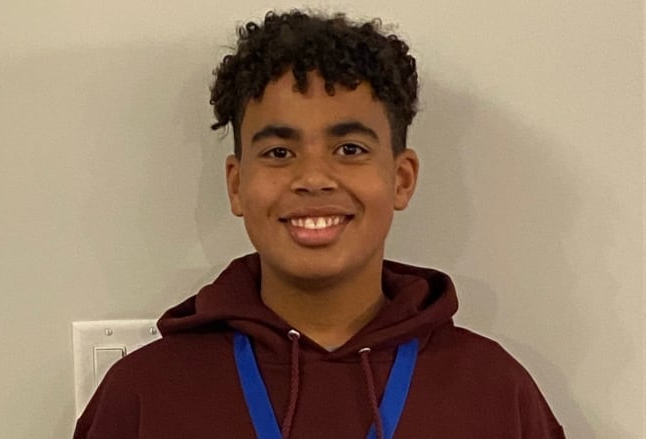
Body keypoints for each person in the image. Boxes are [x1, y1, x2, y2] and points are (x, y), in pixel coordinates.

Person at [73, 10, 565, 439]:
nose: (312, 177)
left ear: (401, 178)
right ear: (237, 184)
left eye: (349, 149)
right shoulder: (144, 394)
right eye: (279, 152)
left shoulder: (494, 391)